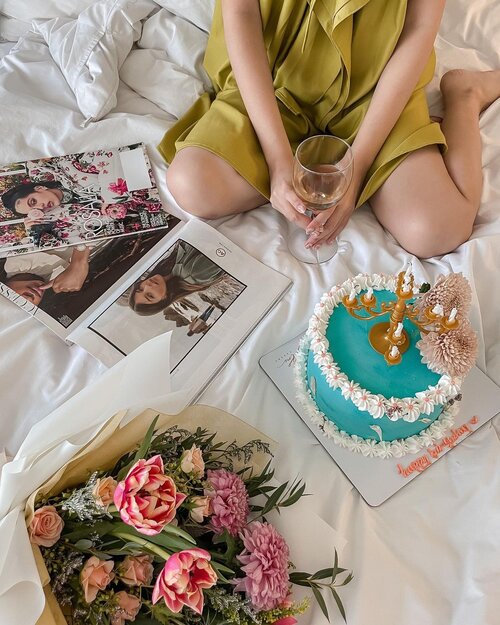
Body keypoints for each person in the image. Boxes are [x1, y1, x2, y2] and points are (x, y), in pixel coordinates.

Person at [160, 0, 500, 258]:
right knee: (192, 184)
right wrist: (278, 161)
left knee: (439, 231)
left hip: (374, 91)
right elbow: (241, 14)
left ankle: (465, 96)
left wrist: (359, 165)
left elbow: (418, 30)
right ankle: (305, 165)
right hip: (276, 81)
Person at [129, 241, 225, 315]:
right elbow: (224, 246)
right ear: (164, 298)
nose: (147, 286)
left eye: (140, 289)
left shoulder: (169, 268)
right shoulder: (193, 273)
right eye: (150, 295)